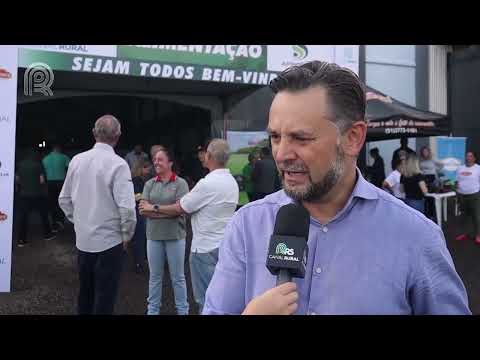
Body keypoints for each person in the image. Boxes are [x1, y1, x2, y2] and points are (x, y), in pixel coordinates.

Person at [203, 61, 470, 315]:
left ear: (353, 138)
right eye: (275, 136)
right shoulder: (246, 226)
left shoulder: (417, 236)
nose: (281, 154)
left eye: (301, 137)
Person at [147, 139, 239, 314]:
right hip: (223, 246)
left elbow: (180, 207)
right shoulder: (232, 183)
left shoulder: (206, 184)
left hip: (203, 249)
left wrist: (154, 207)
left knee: (205, 300)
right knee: (220, 297)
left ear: (209, 156)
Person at [59, 115, 137, 315]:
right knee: (105, 297)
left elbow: (64, 200)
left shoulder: (76, 160)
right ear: (118, 136)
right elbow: (127, 209)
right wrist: (126, 236)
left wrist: (79, 222)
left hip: (84, 240)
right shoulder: (119, 165)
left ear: (94, 134)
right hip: (110, 242)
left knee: (85, 293)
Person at [138, 148, 190, 315]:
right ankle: (152, 311)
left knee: (178, 278)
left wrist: (155, 208)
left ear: (170, 163)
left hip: (175, 237)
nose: (156, 162)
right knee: (154, 277)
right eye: (155, 159)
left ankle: (183, 311)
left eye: (160, 159)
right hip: (153, 237)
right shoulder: (149, 183)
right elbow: (142, 211)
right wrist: (169, 212)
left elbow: (180, 209)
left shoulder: (181, 183)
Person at [16, 149, 56, 247]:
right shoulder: (38, 165)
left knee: (23, 217)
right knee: (43, 215)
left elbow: (17, 179)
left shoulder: (20, 165)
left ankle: (22, 240)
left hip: (24, 194)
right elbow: (41, 180)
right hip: (38, 194)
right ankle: (47, 234)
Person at [130, 159, 153, 274]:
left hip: (144, 211)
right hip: (138, 212)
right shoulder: (135, 180)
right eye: (146, 167)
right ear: (140, 168)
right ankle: (138, 263)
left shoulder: (146, 180)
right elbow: (135, 196)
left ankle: (142, 260)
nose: (148, 170)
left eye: (148, 167)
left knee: (143, 237)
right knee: (139, 238)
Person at [42, 143, 70, 231]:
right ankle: (60, 221)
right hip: (62, 182)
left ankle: (54, 222)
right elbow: (70, 169)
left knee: (52, 203)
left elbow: (43, 172)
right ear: (59, 149)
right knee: (62, 202)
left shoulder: (45, 159)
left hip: (50, 183)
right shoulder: (64, 157)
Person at [455, 151, 480, 244]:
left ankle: (478, 235)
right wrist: (457, 192)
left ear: (474, 158)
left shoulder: (478, 168)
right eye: (467, 156)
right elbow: (457, 181)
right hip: (462, 195)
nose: (468, 158)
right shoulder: (460, 168)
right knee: (463, 216)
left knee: (476, 216)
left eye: (470, 156)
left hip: (474, 195)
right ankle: (463, 233)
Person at [419, 146, 442, 220]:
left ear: (428, 152)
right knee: (425, 198)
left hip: (432, 179)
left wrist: (436, 170)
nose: (425, 153)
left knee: (431, 199)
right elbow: (419, 168)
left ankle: (433, 216)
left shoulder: (433, 159)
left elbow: (441, 165)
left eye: (426, 151)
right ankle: (426, 216)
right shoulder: (421, 160)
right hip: (424, 179)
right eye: (423, 151)